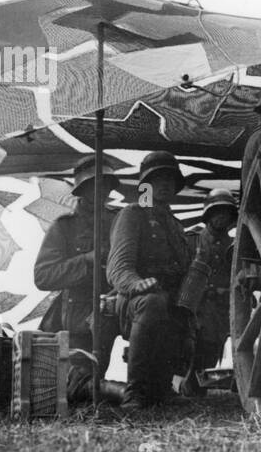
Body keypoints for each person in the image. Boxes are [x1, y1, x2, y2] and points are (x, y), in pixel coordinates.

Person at [107, 151, 193, 410]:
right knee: (154, 302)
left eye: (170, 179)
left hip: (167, 298)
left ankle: (163, 387)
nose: (165, 184)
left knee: (182, 309)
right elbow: (118, 267)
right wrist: (136, 284)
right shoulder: (133, 214)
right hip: (132, 300)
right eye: (158, 178)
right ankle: (136, 390)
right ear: (146, 184)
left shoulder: (177, 226)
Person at [34, 156, 123, 405]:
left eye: (105, 184)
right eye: (94, 185)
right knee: (80, 386)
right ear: (81, 190)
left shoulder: (121, 220)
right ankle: (112, 390)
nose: (101, 190)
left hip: (116, 306)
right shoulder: (65, 227)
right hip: (78, 318)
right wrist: (86, 260)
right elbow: (43, 276)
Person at [180, 188, 237, 395]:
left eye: (226, 213)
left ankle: (196, 387)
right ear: (208, 215)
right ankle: (184, 385)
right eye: (217, 212)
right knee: (186, 348)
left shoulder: (235, 247)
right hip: (193, 306)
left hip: (219, 310)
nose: (221, 217)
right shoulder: (191, 240)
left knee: (211, 349)